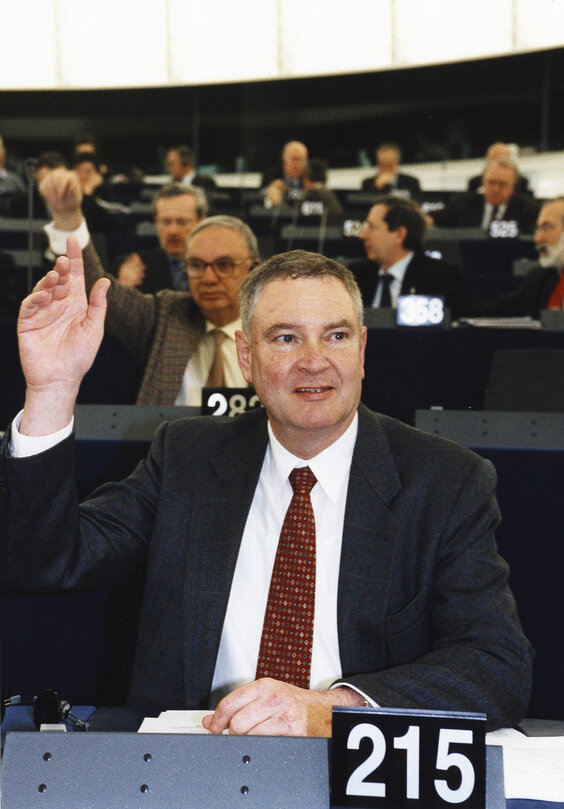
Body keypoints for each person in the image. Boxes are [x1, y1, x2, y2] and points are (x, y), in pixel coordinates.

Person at [2, 239, 532, 735]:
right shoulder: (186, 459)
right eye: (285, 337)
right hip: (193, 764)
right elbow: (49, 559)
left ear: (363, 350)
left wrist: (333, 711)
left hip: (356, 767)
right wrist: (52, 389)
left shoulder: (444, 479)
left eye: (337, 335)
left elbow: (495, 665)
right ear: (247, 356)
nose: (315, 360)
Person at [38, 168, 257, 406]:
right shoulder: (166, 314)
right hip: (166, 440)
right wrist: (67, 218)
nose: (209, 278)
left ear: (252, 269)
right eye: (196, 265)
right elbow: (93, 285)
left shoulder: (271, 330)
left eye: (224, 265)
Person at [350, 196, 476, 319]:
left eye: (371, 227)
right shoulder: (356, 276)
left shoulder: (441, 278)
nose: (362, 235)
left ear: (400, 234)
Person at [114, 184, 208, 293]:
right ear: (156, 222)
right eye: (166, 222)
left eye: (182, 222)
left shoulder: (219, 266)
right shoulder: (136, 267)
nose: (173, 231)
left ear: (201, 222)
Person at [480, 197, 564, 317]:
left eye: (546, 228)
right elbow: (495, 311)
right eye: (538, 229)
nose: (537, 238)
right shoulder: (540, 278)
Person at [430, 157, 539, 234]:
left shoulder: (528, 209)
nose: (495, 189)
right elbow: (432, 218)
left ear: (513, 186)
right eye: (491, 182)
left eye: (502, 184)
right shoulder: (462, 204)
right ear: (483, 182)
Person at [72, 154, 131, 233]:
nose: (83, 175)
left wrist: (88, 193)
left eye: (88, 171)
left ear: (98, 175)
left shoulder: (106, 193)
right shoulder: (68, 196)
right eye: (79, 171)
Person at [261, 141, 309, 207]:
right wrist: (269, 190)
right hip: (276, 214)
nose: (296, 165)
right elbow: (260, 193)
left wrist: (287, 192)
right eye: (293, 159)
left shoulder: (310, 177)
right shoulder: (270, 175)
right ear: (284, 159)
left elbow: (319, 207)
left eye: (301, 160)